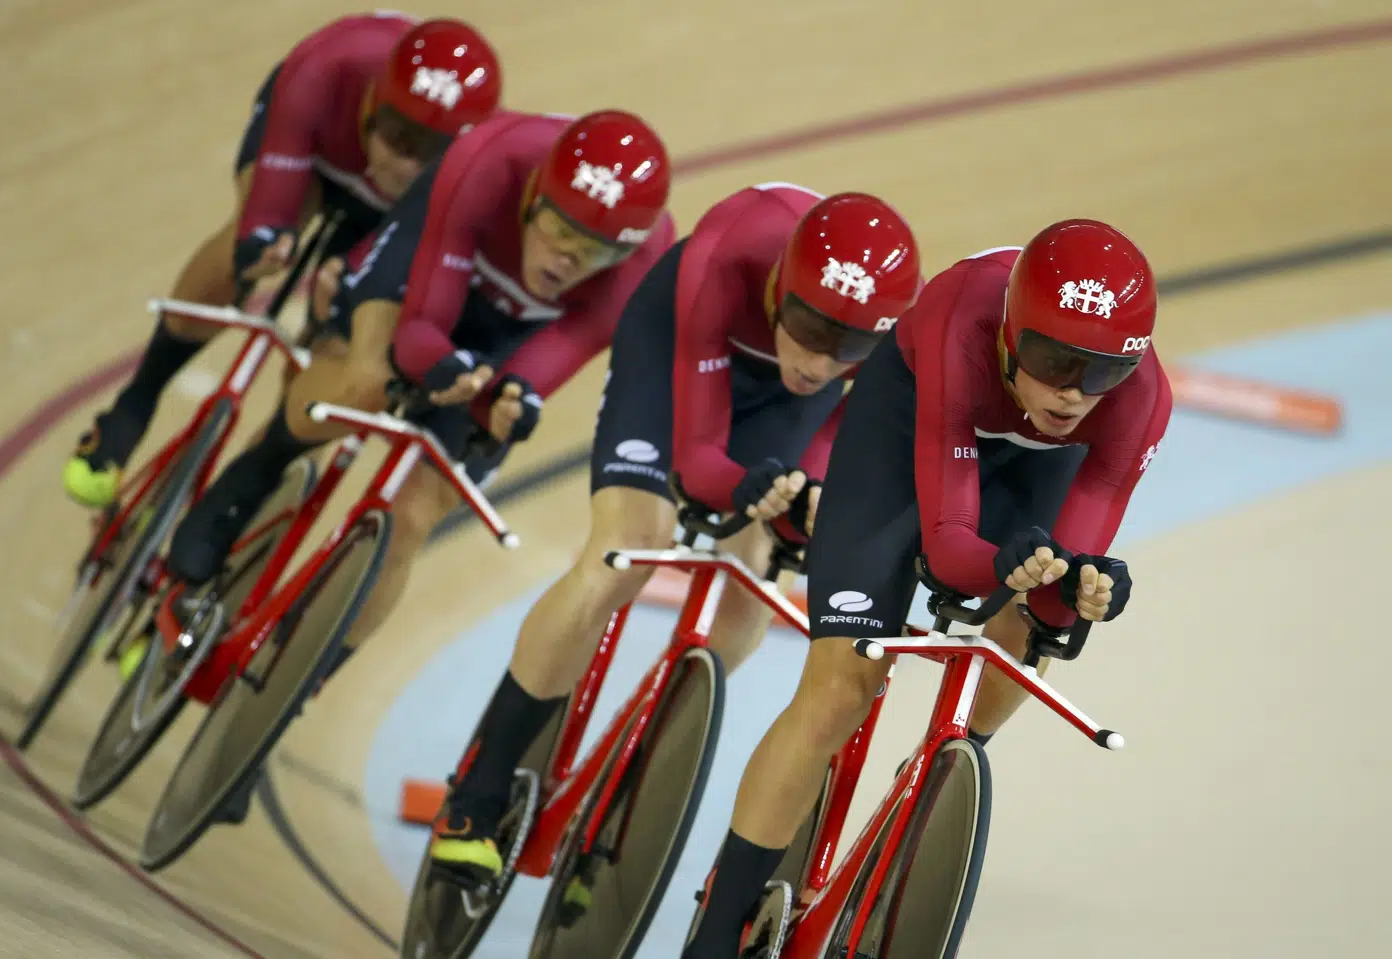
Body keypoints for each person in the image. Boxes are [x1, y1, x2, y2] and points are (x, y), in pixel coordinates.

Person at [680, 219, 1173, 958]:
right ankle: (716, 934)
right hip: (909, 428)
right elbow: (947, 552)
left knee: (1035, 631)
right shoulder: (960, 317)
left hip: (1038, 467)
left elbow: (1054, 597)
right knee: (840, 688)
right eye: (1053, 362)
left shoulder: (1141, 400)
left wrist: (1081, 588)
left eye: (1101, 373)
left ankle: (940, 777)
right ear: (1011, 334)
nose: (1074, 393)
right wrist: (1014, 567)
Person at [425, 186, 925, 886]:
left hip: (785, 411)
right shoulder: (729, 252)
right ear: (780, 286)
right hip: (676, 356)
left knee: (751, 583)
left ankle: (631, 784)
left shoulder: (889, 339)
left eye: (849, 346)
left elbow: (844, 427)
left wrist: (808, 488)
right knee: (626, 549)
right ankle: (478, 790)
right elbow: (696, 461)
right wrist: (743, 488)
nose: (819, 361)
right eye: (808, 328)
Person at [161, 107, 676, 695]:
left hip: (511, 339)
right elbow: (420, 328)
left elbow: (552, 359)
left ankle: (299, 684)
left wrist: (511, 401)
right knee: (367, 381)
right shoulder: (492, 164)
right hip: (423, 275)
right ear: (535, 196)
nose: (566, 261)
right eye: (560, 232)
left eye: (593, 253)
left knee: (413, 518)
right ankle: (253, 474)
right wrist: (432, 364)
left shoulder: (641, 264)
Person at [62, 13, 503, 509]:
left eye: (431, 151)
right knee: (253, 246)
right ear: (372, 102)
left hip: (394, 219)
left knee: (345, 349)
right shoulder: (325, 70)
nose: (406, 164)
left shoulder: (477, 167)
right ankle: (134, 404)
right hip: (317, 149)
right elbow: (269, 206)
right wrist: (264, 234)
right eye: (398, 136)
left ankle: (243, 492)